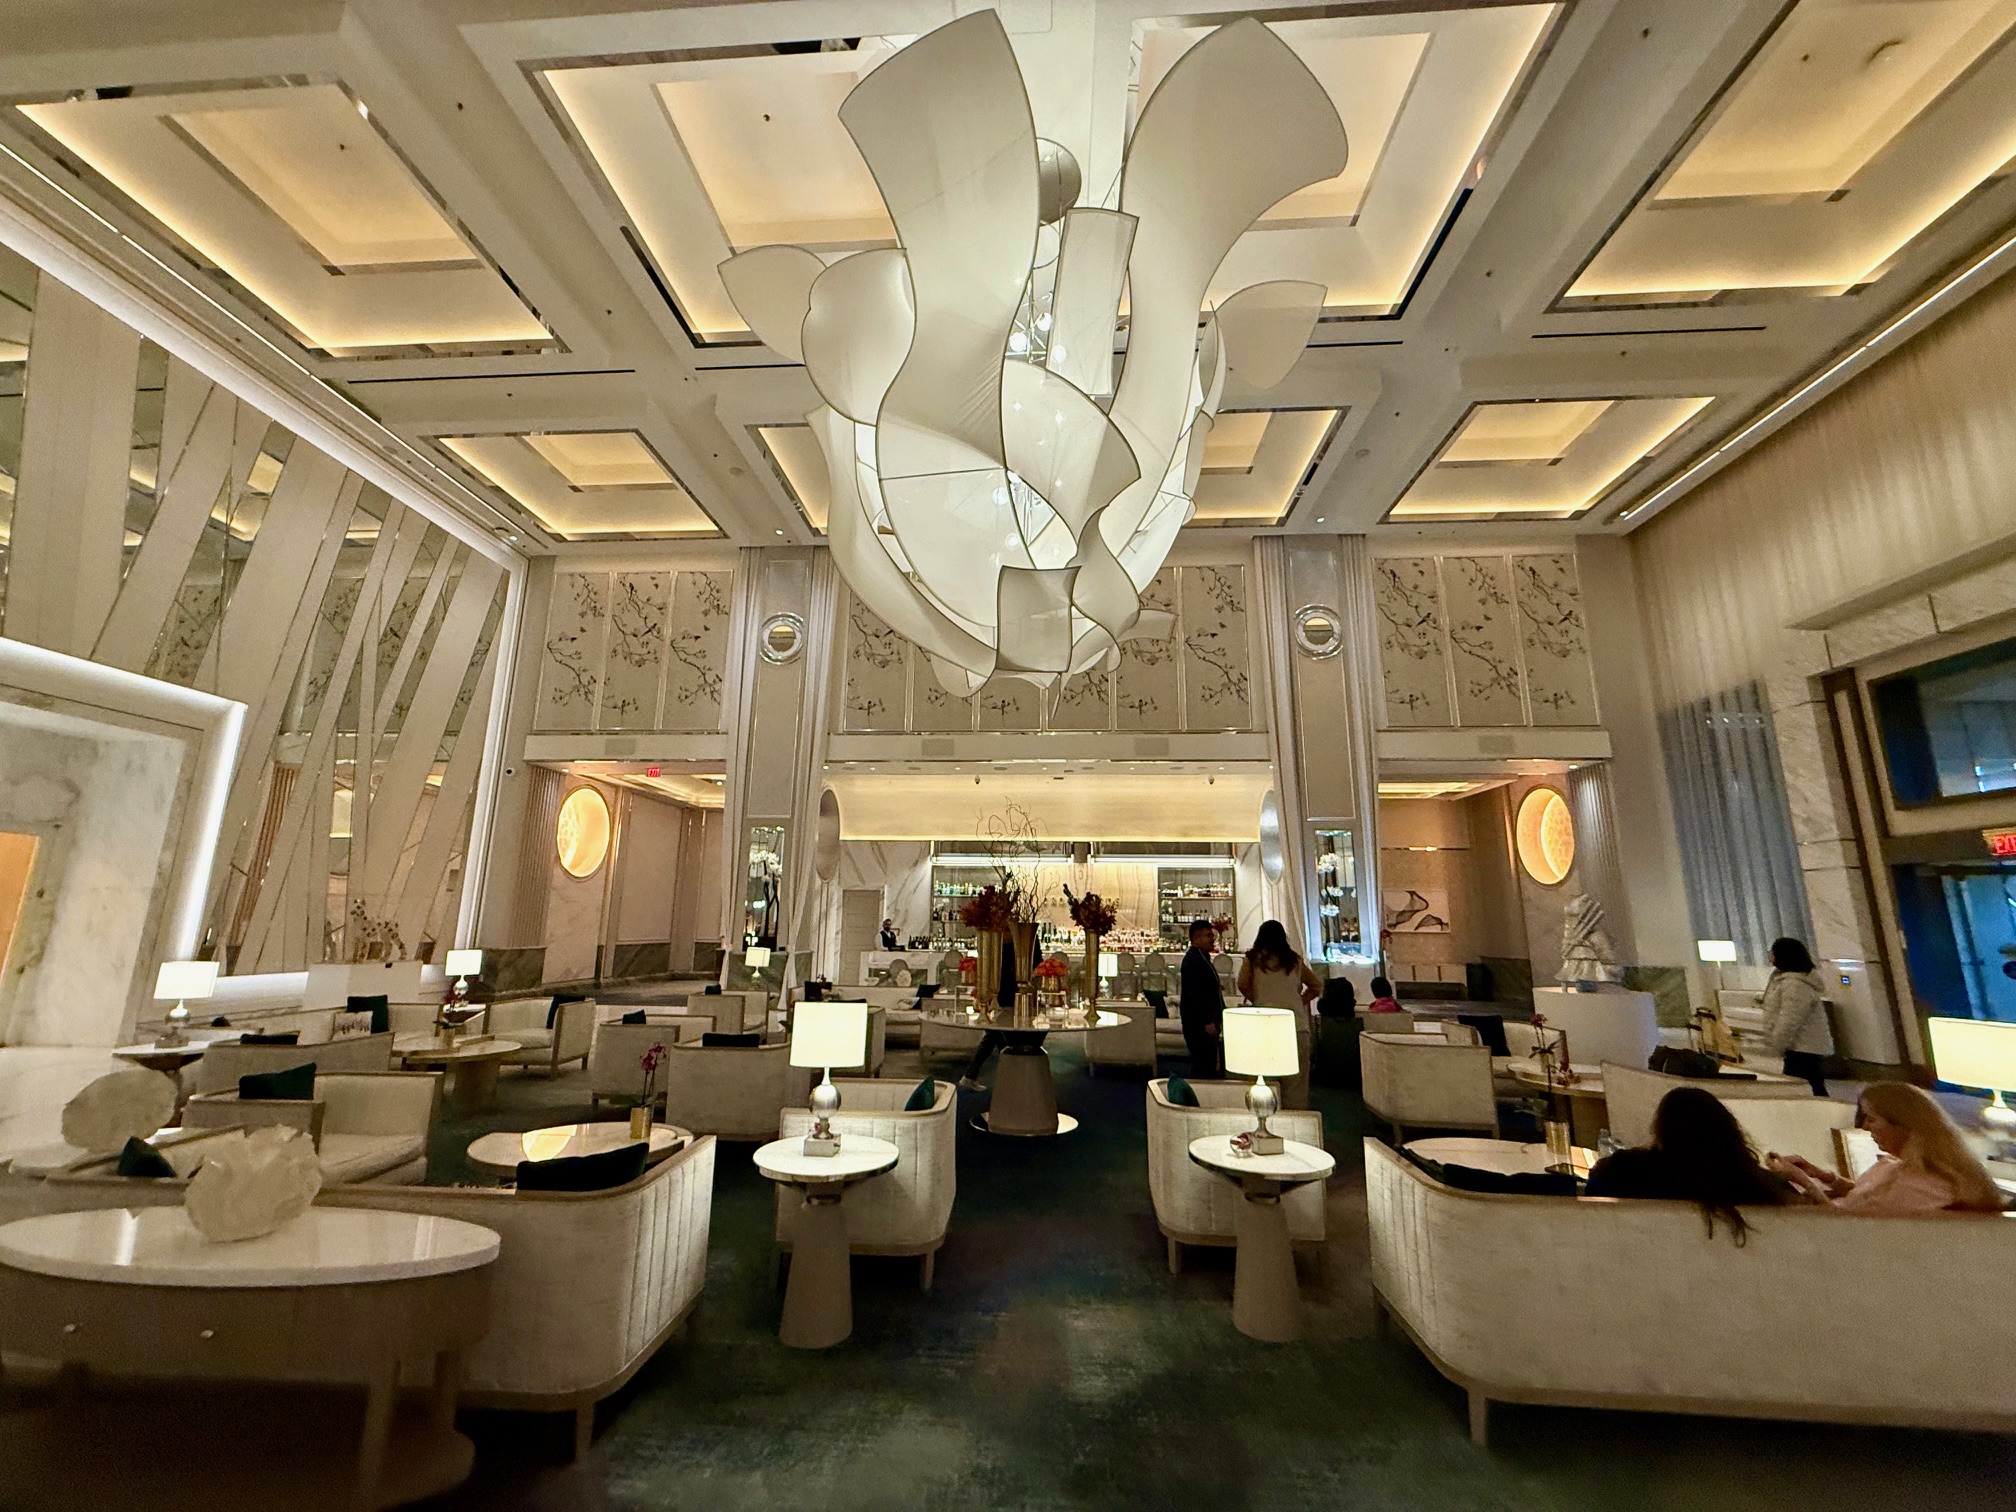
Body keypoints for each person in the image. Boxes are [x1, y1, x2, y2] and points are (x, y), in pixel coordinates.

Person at [1585, 1086, 1796, 1241]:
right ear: (1729, 1131)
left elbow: (1590, 1211)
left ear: (1661, 1129)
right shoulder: (1760, 1185)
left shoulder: (1627, 1171)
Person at [1770, 1082, 2003, 1215]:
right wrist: (1823, 1176)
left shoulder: (1919, 1184)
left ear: (1903, 1124)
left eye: (1872, 1119)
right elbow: (1868, 1195)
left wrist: (1804, 1182)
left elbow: (1847, 1225)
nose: (1865, 1127)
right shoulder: (1899, 1167)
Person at [1238, 920, 1321, 1107]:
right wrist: (1300, 1000)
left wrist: (1257, 999)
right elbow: (1316, 985)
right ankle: (1297, 1122)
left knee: (1264, 1079)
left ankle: (1267, 1120)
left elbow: (1242, 984)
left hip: (1265, 1026)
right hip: (1296, 1026)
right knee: (1296, 1084)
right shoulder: (1294, 960)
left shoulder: (1252, 959)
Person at [1758, 936, 1831, 1095]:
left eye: (1773, 951)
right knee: (1809, 1087)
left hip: (1803, 1048)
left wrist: (1778, 1043)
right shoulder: (1783, 979)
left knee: (1803, 1089)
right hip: (1799, 1048)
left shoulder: (1796, 984)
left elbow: (1790, 1019)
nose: (1770, 955)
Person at [1180, 918, 1226, 1078]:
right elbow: (1194, 995)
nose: (1212, 939)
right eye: (1208, 936)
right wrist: (1206, 1021)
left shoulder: (1202, 957)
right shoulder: (1193, 961)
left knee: (1207, 1063)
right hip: (1198, 1026)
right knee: (1204, 1065)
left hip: (1204, 1023)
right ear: (1196, 939)